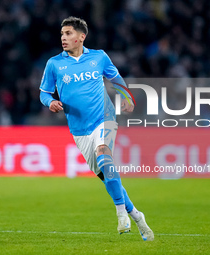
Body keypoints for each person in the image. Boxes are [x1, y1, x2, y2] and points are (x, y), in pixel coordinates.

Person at [39, 16, 154, 241]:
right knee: (107, 176)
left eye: (69, 33)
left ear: (82, 37)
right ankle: (136, 215)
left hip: (105, 118)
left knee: (104, 156)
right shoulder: (54, 63)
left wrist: (127, 97)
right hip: (79, 129)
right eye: (62, 34)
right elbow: (44, 92)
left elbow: (115, 77)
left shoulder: (99, 57)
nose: (64, 38)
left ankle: (121, 215)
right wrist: (50, 102)